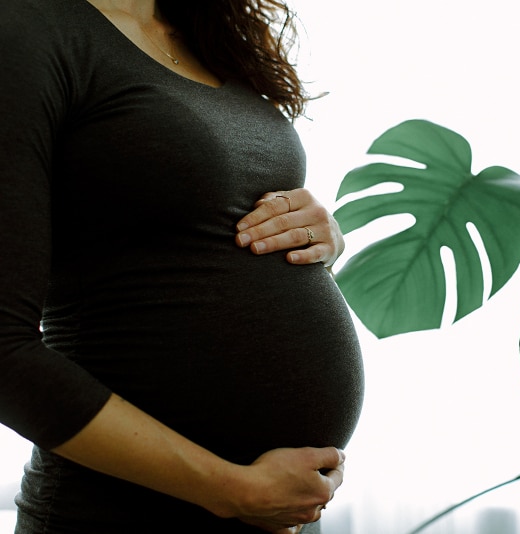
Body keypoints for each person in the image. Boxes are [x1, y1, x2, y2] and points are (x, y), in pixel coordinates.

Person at [0, 0, 365, 532]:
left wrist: (321, 241)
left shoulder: (205, 29)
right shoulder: (26, 27)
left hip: (271, 512)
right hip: (114, 515)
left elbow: (189, 234)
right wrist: (230, 489)